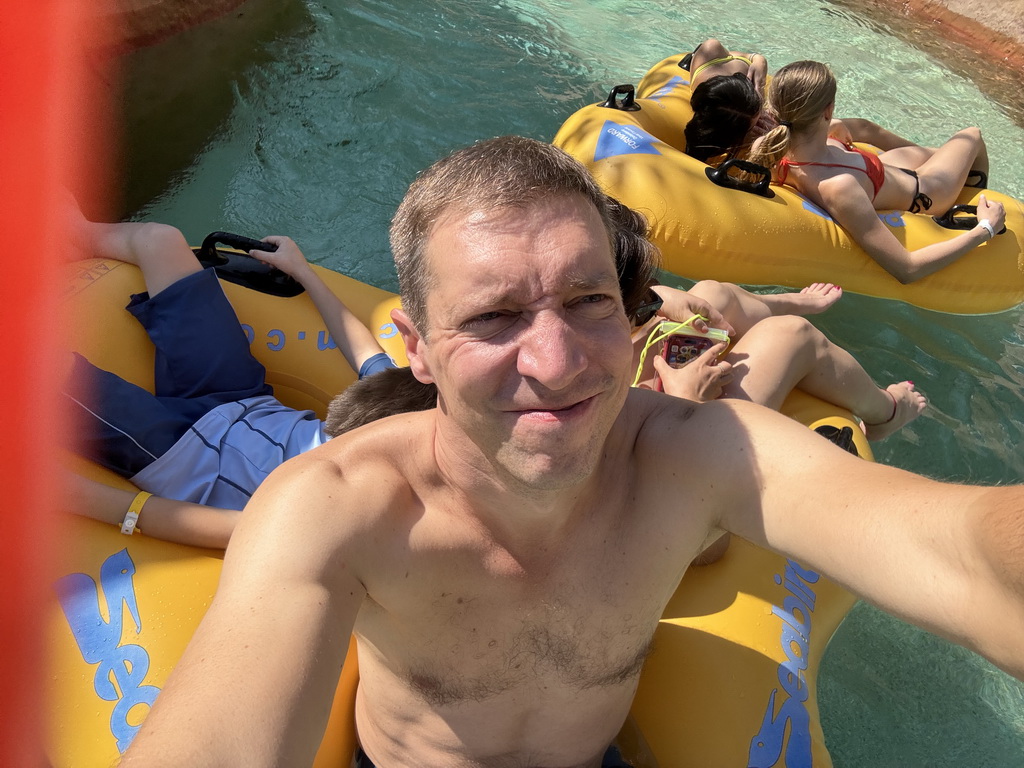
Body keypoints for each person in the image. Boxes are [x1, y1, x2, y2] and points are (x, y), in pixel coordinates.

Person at [119, 136, 1024, 768]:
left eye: (588, 300)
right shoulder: (338, 506)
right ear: (418, 347)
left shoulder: (692, 456)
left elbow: (959, 554)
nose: (555, 364)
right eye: (493, 316)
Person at [63, 209, 400, 515]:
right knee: (159, 240)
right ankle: (73, 233)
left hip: (184, 461)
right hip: (243, 397)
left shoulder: (362, 505)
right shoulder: (420, 403)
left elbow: (253, 530)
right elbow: (364, 352)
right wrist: (302, 270)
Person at [746, 59, 1006, 283]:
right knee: (971, 136)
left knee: (863, 127)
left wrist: (832, 128)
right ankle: (975, 197)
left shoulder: (768, 148)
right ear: (827, 109)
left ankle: (951, 162)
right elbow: (907, 269)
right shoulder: (840, 187)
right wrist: (986, 227)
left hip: (881, 169)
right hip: (924, 191)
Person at [683, 38, 769, 162]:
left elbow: (754, 57)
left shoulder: (709, 53)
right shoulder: (744, 137)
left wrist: (759, 62)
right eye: (751, 127)